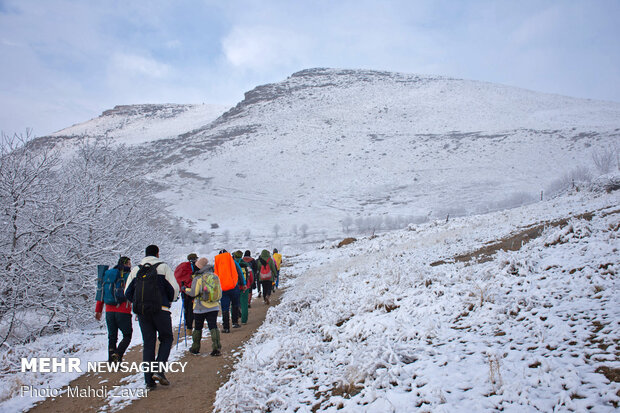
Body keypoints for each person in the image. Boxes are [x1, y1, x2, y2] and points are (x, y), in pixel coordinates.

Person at [125, 245, 179, 390]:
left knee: (148, 343)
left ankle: (148, 381)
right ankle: (159, 370)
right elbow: (174, 289)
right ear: (157, 253)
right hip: (161, 310)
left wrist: (138, 304)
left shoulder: (136, 270)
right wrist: (170, 300)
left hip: (143, 312)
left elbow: (127, 292)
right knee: (166, 338)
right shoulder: (163, 267)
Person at [95, 256, 132, 364]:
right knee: (127, 335)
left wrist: (98, 310)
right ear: (126, 264)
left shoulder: (108, 275)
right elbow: (132, 293)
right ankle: (118, 354)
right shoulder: (128, 276)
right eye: (129, 264)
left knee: (112, 336)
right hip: (123, 311)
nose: (130, 266)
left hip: (109, 311)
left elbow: (101, 292)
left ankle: (111, 361)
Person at [183, 257, 222, 356]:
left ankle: (195, 348)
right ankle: (216, 348)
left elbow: (193, 292)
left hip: (200, 307)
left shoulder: (198, 278)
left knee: (198, 327)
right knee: (213, 326)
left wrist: (185, 289)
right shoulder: (215, 276)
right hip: (214, 306)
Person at [214, 249, 241, 333]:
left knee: (225, 308)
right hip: (233, 287)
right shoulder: (231, 260)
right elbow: (238, 272)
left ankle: (226, 328)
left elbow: (215, 275)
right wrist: (240, 283)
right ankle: (235, 322)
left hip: (223, 289)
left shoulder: (217, 262)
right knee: (235, 304)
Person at [174, 253, 198, 336]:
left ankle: (188, 327)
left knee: (186, 309)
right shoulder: (194, 267)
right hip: (191, 290)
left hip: (183, 291)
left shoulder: (183, 267)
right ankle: (192, 327)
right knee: (192, 309)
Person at [233, 250, 252, 324]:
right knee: (244, 304)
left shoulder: (232, 264)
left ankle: (234, 320)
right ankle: (244, 320)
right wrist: (249, 284)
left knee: (234, 304)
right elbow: (251, 275)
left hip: (235, 286)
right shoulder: (246, 264)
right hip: (245, 286)